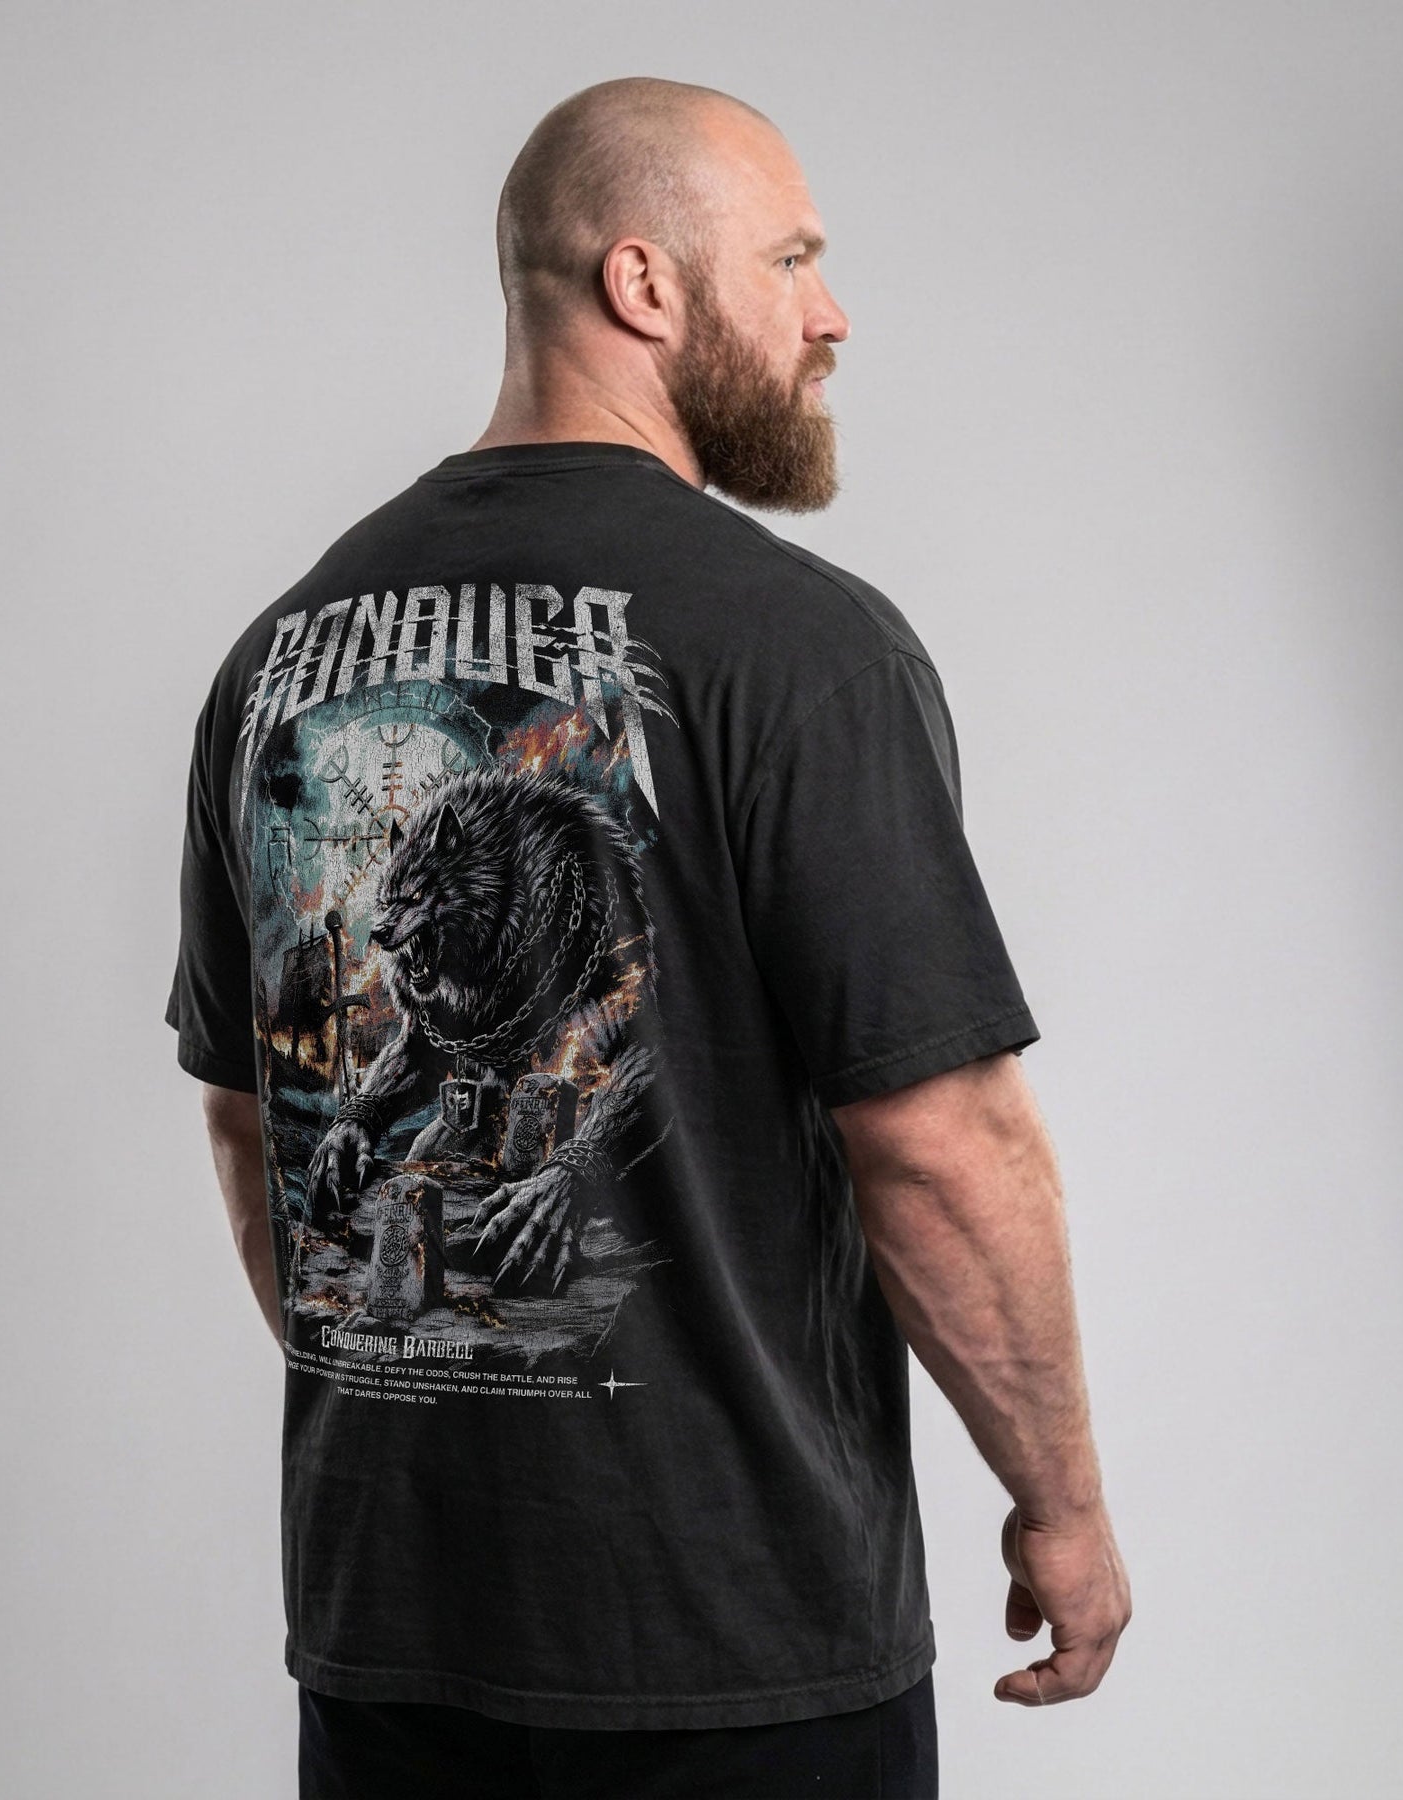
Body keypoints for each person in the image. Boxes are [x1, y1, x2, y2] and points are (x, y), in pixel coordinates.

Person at [167, 74, 1130, 1800]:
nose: (832, 316)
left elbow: (254, 1117)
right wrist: (1060, 1500)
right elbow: (938, 1142)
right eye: (792, 260)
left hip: (393, 1644)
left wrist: (422, 1355)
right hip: (734, 1654)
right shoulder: (796, 646)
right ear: (645, 284)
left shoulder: (279, 652)